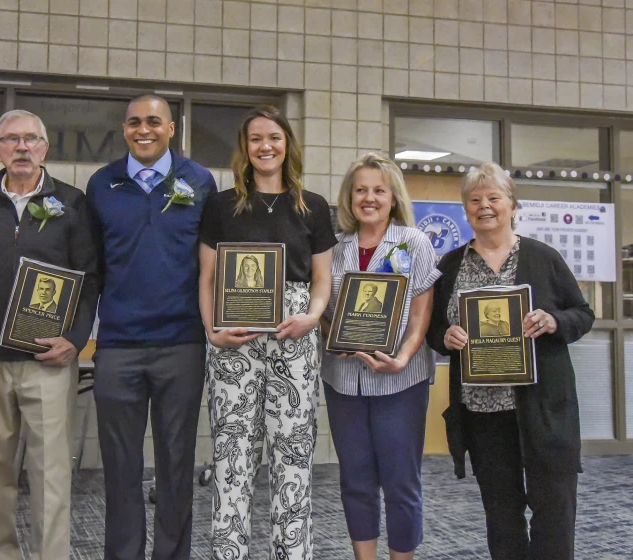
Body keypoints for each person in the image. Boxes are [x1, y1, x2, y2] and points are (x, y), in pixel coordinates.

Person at [427, 162, 594, 560]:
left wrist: (554, 320)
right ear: (465, 209)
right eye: (475, 199)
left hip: (543, 410)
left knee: (554, 511)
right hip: (483, 414)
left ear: (512, 205)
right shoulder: (450, 265)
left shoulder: (543, 257)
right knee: (501, 517)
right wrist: (446, 338)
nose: (485, 206)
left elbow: (583, 314)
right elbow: (433, 330)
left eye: (493, 198)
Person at [199, 105, 336, 559]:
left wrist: (314, 317)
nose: (265, 146)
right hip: (233, 336)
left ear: (287, 144)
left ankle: (291, 553)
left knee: (292, 455)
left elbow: (322, 279)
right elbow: (207, 278)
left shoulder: (312, 205)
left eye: (273, 137)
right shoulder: (221, 204)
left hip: (294, 335)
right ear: (245, 148)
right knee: (232, 456)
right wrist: (211, 330)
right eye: (256, 139)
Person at [86, 94, 217, 560]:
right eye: (135, 122)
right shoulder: (102, 184)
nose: (144, 129)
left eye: (154, 122)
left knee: (176, 467)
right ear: (125, 129)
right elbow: (92, 267)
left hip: (181, 344)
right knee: (120, 468)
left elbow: (214, 266)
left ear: (172, 128)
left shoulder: (200, 181)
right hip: (118, 347)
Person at [0, 109, 99, 560]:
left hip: (50, 359)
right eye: (11, 140)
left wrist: (76, 340)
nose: (21, 147)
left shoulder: (73, 202)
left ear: (44, 148)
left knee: (51, 475)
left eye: (30, 139)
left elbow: (90, 276)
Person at [321, 152, 440, 560]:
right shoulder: (333, 248)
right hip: (343, 380)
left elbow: (422, 311)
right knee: (354, 479)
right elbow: (322, 308)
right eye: (360, 190)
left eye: (378, 190)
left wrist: (404, 355)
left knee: (400, 481)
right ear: (348, 197)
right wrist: (331, 335)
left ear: (393, 197)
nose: (368, 198)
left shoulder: (415, 242)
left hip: (400, 381)